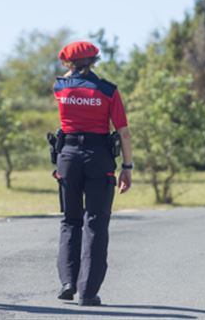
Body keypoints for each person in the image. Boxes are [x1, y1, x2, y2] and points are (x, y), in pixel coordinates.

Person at [52, 41, 133, 306]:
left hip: (68, 157)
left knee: (70, 220)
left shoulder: (60, 88)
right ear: (95, 60)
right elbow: (123, 131)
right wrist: (127, 167)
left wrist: (71, 71)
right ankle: (87, 292)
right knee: (96, 224)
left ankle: (67, 282)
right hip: (99, 158)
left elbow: (66, 78)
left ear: (69, 63)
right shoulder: (108, 90)